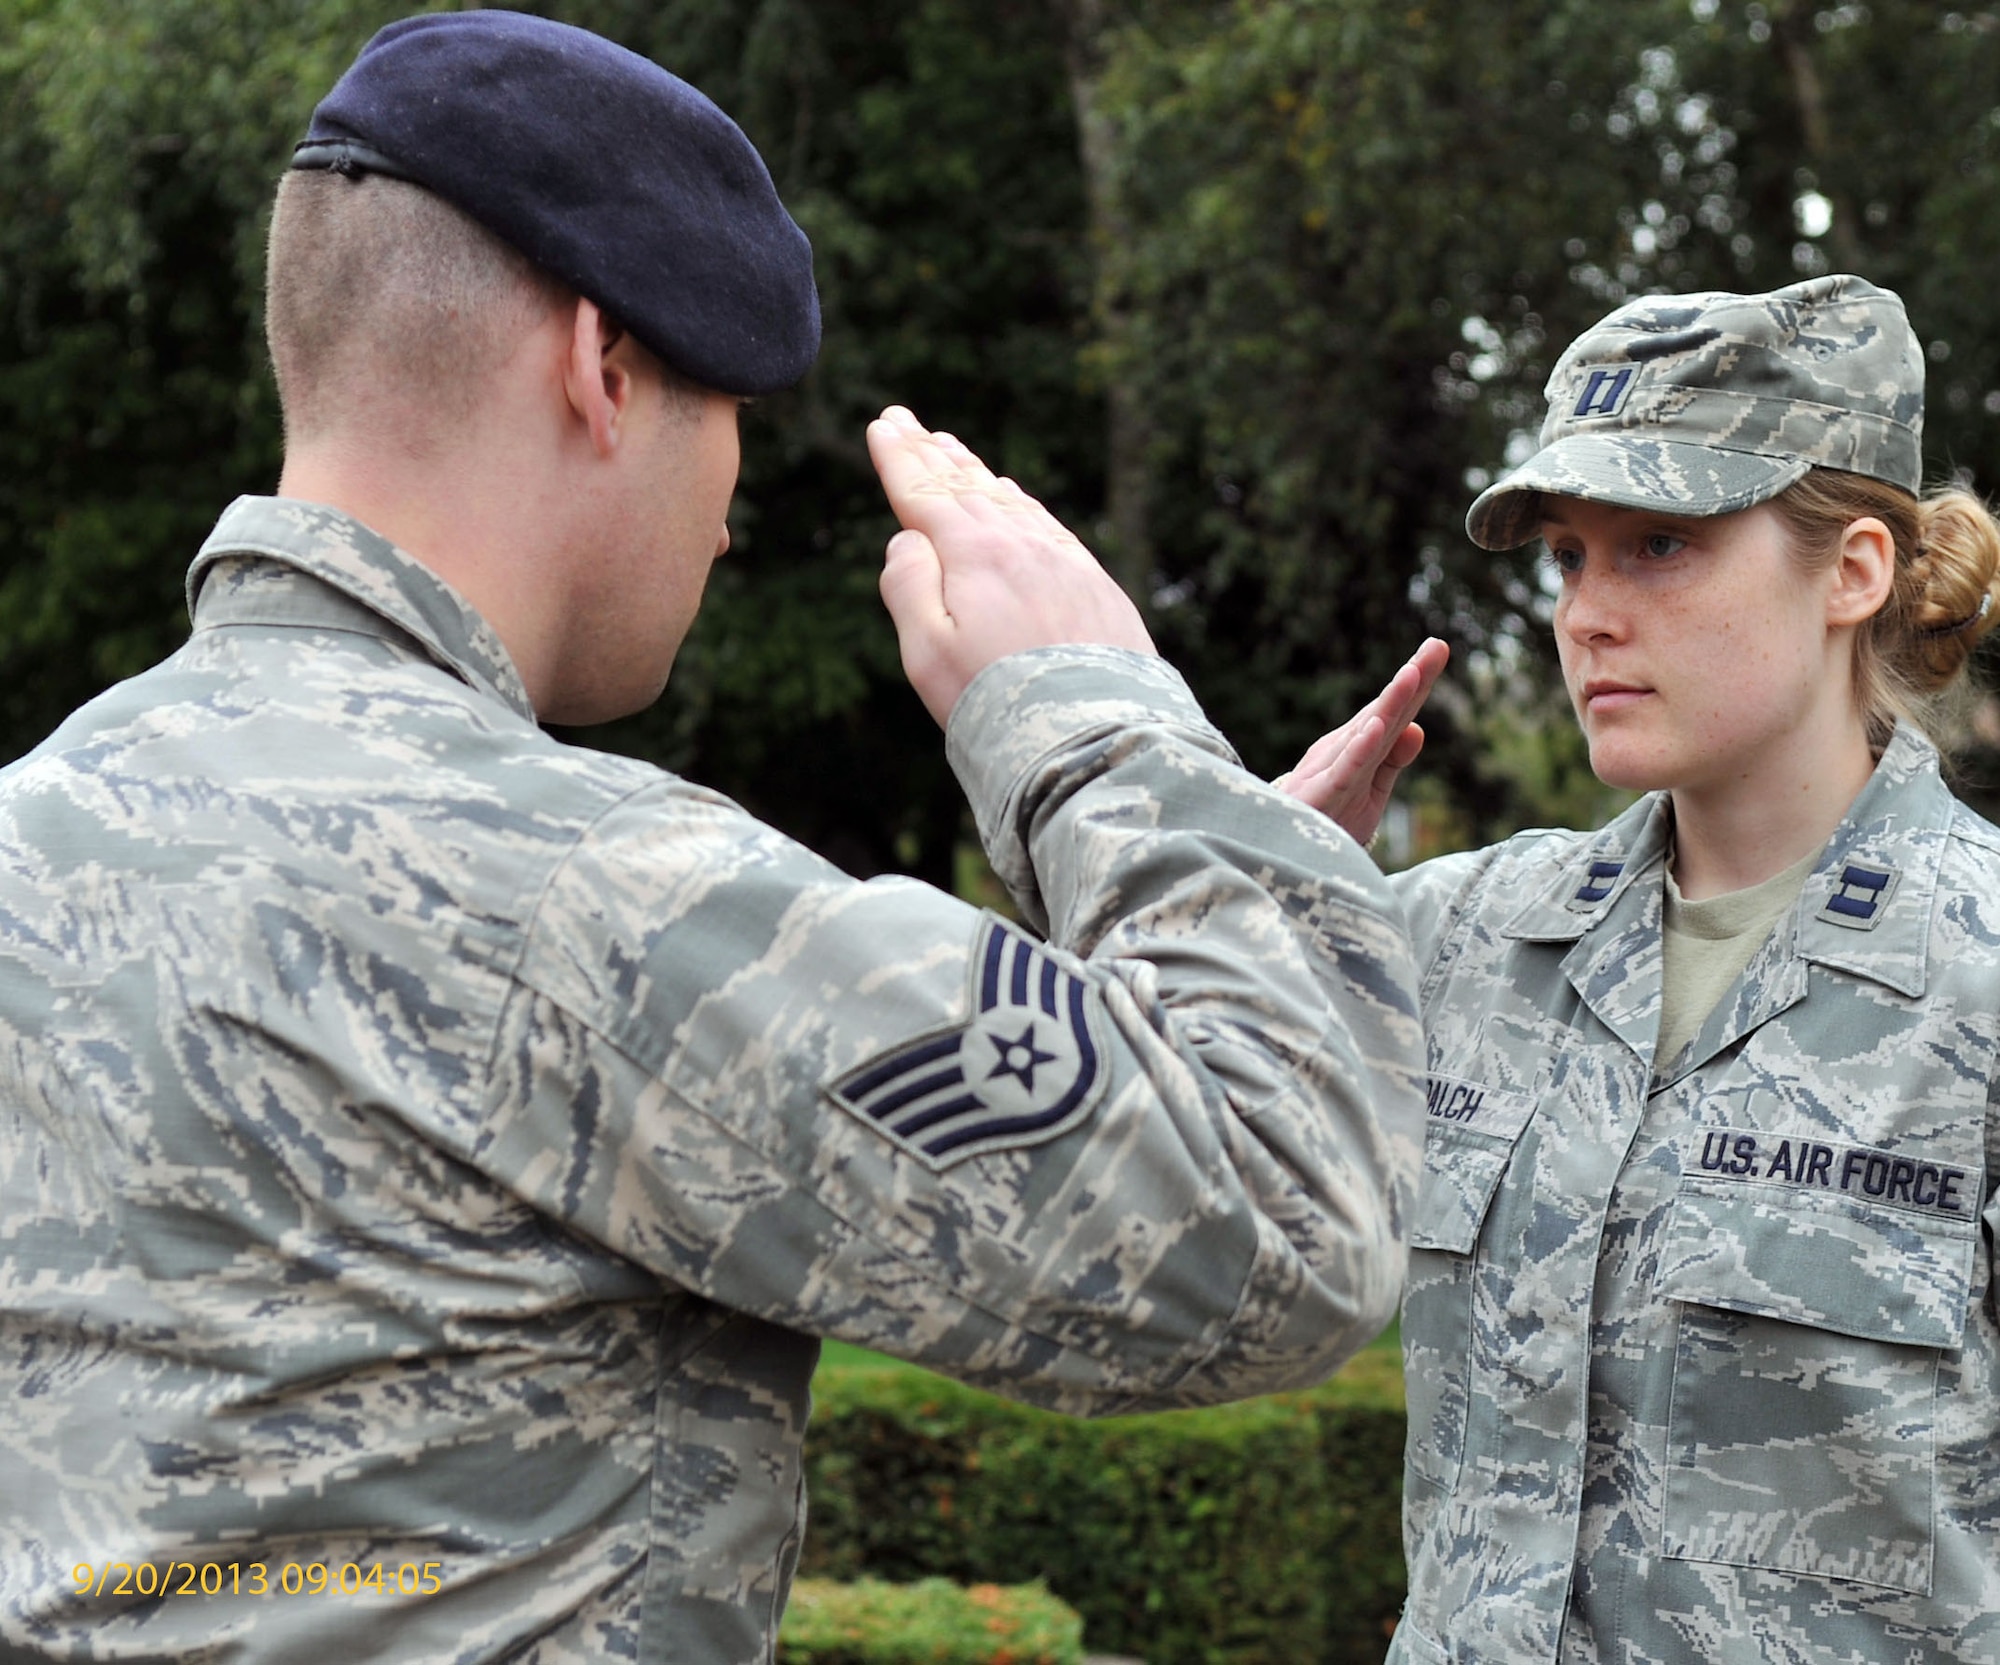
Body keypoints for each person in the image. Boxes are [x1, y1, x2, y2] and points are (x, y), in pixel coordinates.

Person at [0, 13, 1426, 1663]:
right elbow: (1287, 1218)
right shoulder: (589, 900)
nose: (734, 507)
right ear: (604, 369)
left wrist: (1195, 916)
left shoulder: (36, 824)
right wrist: (1095, 722)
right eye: (728, 409)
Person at [1287, 273, 2000, 1663]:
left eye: (1660, 545)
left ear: (1854, 570)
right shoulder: (1458, 939)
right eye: (1567, 555)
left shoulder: (1979, 975)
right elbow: (1093, 1153)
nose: (1588, 613)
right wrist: (1238, 888)